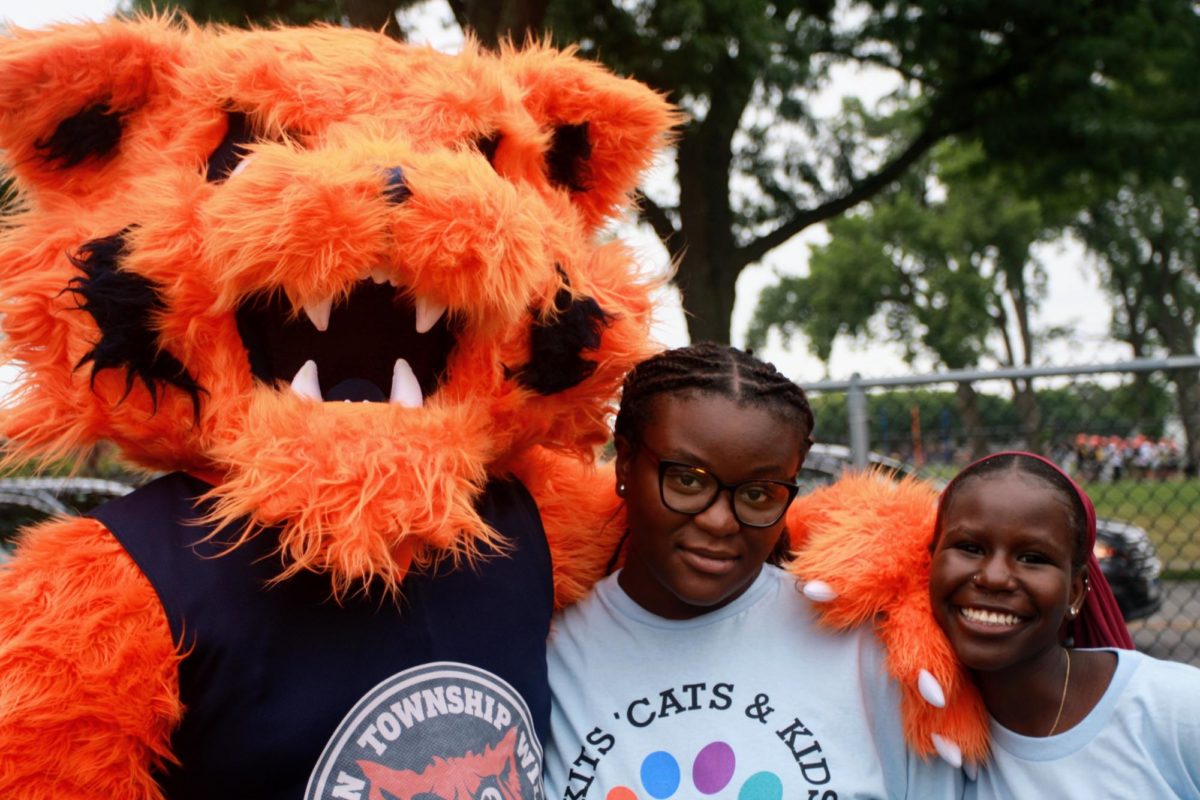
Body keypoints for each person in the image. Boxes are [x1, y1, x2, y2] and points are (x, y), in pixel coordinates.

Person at [545, 343, 960, 800]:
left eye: (759, 494)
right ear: (624, 461)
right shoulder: (549, 652)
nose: (720, 521)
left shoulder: (867, 648)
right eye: (687, 480)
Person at [929, 451, 1200, 798]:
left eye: (1032, 558)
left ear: (1074, 592)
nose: (994, 577)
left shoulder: (1175, 712)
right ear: (930, 561)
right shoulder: (912, 728)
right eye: (969, 547)